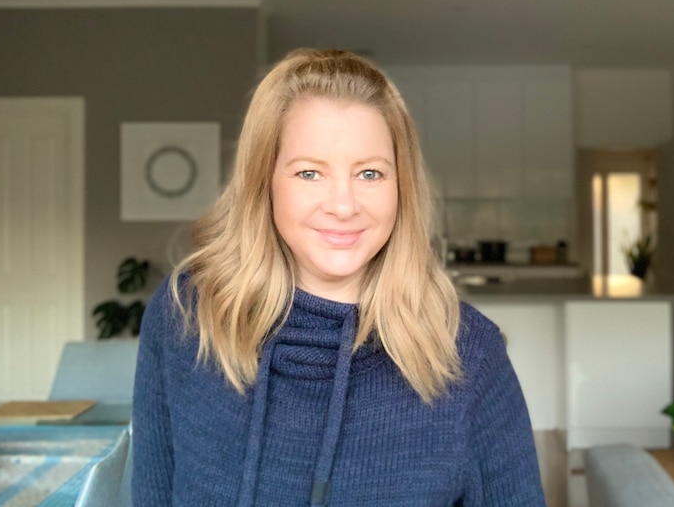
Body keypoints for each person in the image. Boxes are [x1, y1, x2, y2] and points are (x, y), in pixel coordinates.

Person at [132, 48, 546, 506]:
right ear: (263, 182)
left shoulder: (469, 354)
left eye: (370, 173)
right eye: (310, 173)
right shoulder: (185, 318)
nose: (344, 205)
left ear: (401, 187)